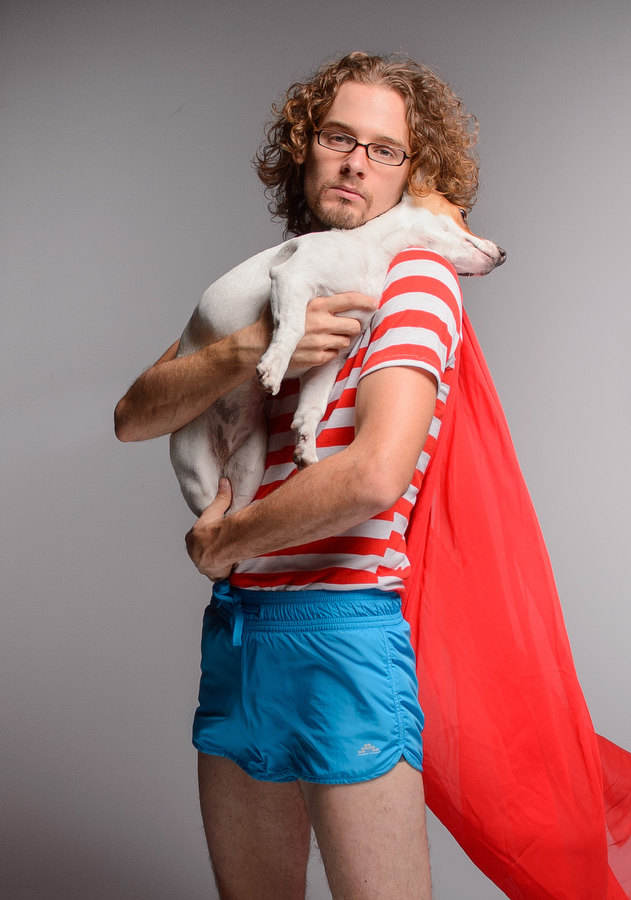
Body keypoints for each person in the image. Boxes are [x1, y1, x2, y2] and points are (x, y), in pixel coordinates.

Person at [115, 51, 479, 899]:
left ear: (413, 174)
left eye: (384, 149)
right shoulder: (281, 274)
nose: (355, 162)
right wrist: (255, 345)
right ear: (304, 148)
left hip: (341, 631)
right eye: (337, 137)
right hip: (239, 631)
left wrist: (224, 544)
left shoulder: (415, 280)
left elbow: (374, 474)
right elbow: (135, 414)